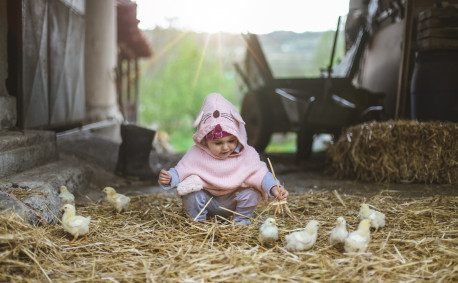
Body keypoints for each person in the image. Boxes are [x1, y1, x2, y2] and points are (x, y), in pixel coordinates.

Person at [158, 93, 289, 225]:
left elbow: (261, 175)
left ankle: (241, 222)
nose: (226, 147)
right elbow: (181, 170)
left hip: (234, 205)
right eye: (218, 143)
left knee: (252, 193)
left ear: (238, 136)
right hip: (207, 202)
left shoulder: (247, 154)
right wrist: (170, 177)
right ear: (205, 141)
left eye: (231, 141)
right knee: (191, 192)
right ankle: (197, 222)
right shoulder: (196, 154)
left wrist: (274, 188)